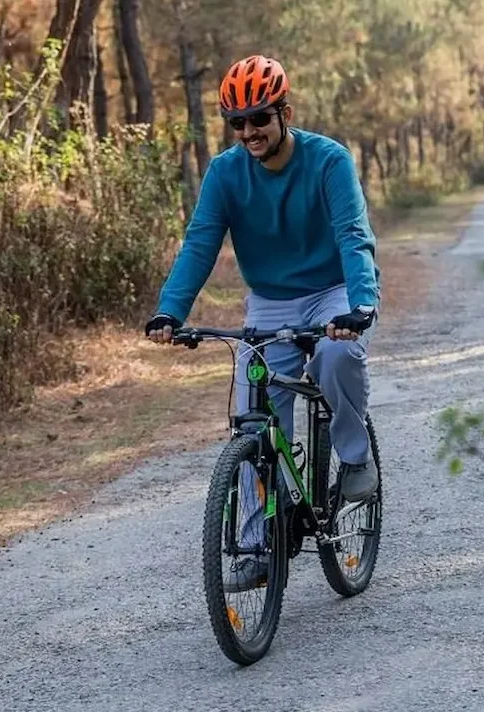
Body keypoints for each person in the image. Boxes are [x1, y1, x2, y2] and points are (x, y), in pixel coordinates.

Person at [145, 55, 380, 591]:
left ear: (284, 113)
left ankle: (354, 455)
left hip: (332, 291)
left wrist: (360, 305)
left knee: (337, 356)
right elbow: (201, 242)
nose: (248, 131)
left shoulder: (328, 161)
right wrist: (170, 311)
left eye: (258, 118)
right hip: (270, 301)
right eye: (237, 122)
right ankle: (255, 548)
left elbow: (353, 235)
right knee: (255, 418)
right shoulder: (226, 173)